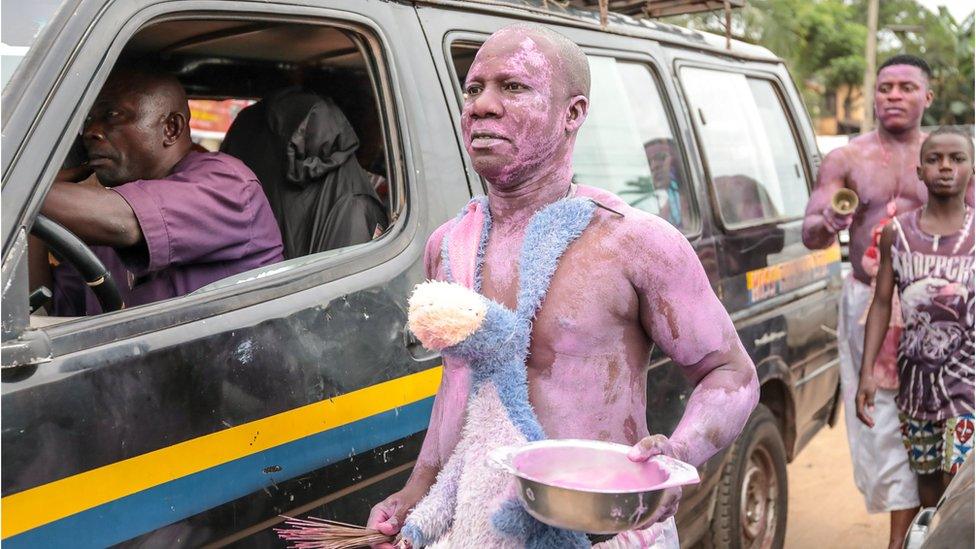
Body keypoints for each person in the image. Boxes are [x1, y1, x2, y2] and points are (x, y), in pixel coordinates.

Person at [366, 23, 759, 548]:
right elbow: (458, 384)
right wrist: (413, 493)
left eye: (512, 87)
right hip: (482, 528)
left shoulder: (633, 242)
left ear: (572, 113)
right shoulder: (449, 245)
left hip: (605, 532)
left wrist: (678, 454)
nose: (481, 105)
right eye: (473, 88)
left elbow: (730, 374)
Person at [802, 54, 943, 548]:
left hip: (938, 307)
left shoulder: (946, 156)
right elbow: (812, 232)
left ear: (928, 95)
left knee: (942, 421)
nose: (894, 96)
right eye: (885, 88)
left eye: (907, 87)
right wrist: (830, 223)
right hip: (870, 304)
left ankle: (937, 529)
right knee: (880, 422)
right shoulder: (848, 159)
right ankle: (900, 538)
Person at [32, 66, 283, 315]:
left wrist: (28, 191)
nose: (90, 132)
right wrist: (32, 215)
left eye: (112, 115)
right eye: (89, 120)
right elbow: (48, 310)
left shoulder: (227, 183)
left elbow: (125, 220)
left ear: (171, 128)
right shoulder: (102, 224)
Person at [856, 128, 974, 512]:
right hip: (915, 387)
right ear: (919, 170)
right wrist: (867, 372)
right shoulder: (897, 233)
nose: (945, 167)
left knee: (958, 480)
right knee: (926, 481)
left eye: (957, 159)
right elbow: (881, 303)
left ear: (971, 170)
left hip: (969, 386)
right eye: (935, 159)